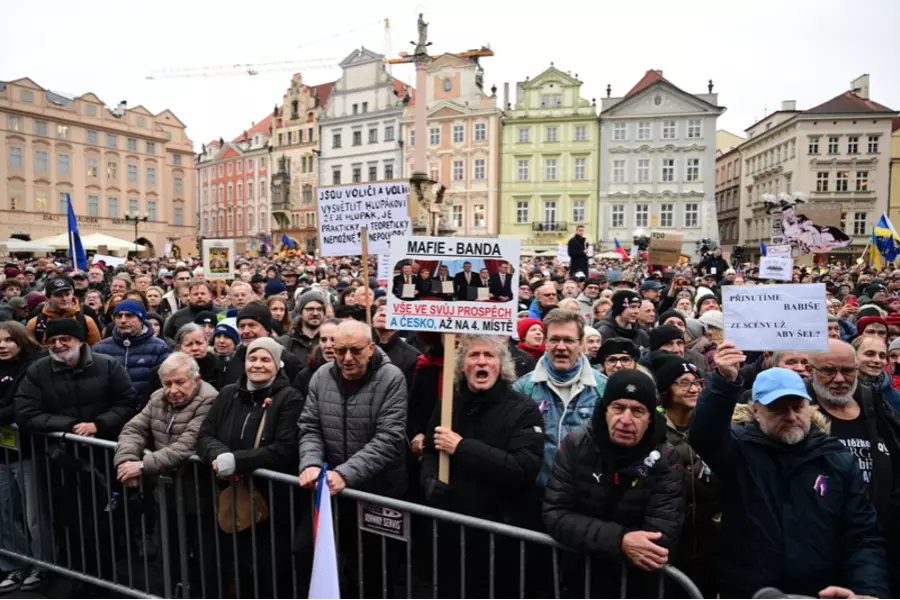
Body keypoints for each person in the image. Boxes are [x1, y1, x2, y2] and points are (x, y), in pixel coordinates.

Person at [690, 342, 890, 599]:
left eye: (797, 407)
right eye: (778, 409)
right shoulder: (738, 450)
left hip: (821, 592)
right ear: (756, 411)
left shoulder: (837, 459)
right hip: (751, 592)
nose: (791, 416)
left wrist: (869, 591)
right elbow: (704, 435)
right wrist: (723, 381)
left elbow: (862, 537)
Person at [14, 318, 137, 587]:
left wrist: (99, 424)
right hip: (60, 459)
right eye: (52, 341)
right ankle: (78, 577)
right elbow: (25, 413)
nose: (58, 345)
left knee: (106, 519)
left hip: (103, 457)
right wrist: (68, 427)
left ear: (80, 340)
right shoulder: (39, 370)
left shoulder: (107, 365)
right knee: (67, 519)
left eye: (64, 339)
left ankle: (108, 578)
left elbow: (127, 402)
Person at [542, 369, 684, 600]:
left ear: (650, 417)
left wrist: (607, 540)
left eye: (638, 411)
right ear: (605, 409)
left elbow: (659, 537)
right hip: (579, 579)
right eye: (618, 408)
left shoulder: (667, 458)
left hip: (637, 586)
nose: (626, 420)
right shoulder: (575, 445)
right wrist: (620, 541)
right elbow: (555, 514)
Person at [420, 335, 544, 599]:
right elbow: (432, 450)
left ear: (501, 365)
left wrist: (463, 448)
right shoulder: (448, 405)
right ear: (463, 365)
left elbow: (523, 469)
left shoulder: (524, 410)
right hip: (454, 530)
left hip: (500, 533)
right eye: (474, 355)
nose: (481, 362)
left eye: (489, 356)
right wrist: (431, 480)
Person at [298, 320, 407, 598]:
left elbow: (389, 438)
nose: (347, 358)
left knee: (376, 574)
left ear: (371, 349)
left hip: (378, 493)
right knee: (335, 567)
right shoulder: (321, 376)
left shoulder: (391, 377)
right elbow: (310, 426)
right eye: (340, 350)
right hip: (336, 493)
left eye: (355, 350)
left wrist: (345, 474)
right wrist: (310, 462)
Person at [197, 337, 302, 599]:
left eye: (265, 359)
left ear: (277, 365)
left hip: (270, 500)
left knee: (269, 568)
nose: (257, 365)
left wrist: (237, 461)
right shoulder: (228, 393)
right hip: (230, 495)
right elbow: (205, 435)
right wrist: (219, 455)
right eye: (252, 359)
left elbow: (284, 448)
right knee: (233, 563)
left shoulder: (289, 398)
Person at [807, 338, 900, 591]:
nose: (839, 378)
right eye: (828, 370)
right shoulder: (797, 413)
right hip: (817, 545)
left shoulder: (875, 405)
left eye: (848, 370)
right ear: (811, 371)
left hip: (877, 540)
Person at [649, 352, 719, 598]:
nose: (693, 389)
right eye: (683, 382)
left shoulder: (711, 425)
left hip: (708, 539)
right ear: (667, 388)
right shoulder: (652, 427)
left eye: (697, 382)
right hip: (671, 539)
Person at [513, 309, 606, 490]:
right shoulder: (523, 388)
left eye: (569, 340)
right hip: (534, 495)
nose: (561, 347)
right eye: (554, 339)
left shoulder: (603, 388)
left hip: (584, 496)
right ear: (546, 342)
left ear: (580, 344)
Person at [0, 322, 39, 593]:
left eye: (8, 340)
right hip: (1, 455)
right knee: (5, 512)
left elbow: (20, 407)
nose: (2, 345)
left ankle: (43, 565)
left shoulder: (34, 366)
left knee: (35, 516)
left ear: (21, 341)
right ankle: (15, 563)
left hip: (28, 452)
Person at [93, 299, 171, 407]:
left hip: (147, 410)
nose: (123, 320)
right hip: (111, 412)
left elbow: (164, 383)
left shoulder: (159, 347)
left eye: (129, 315)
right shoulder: (100, 348)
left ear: (141, 319)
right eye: (118, 316)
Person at [221, 301, 302, 388]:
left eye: (252, 325)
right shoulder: (234, 359)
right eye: (242, 326)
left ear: (267, 329)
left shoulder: (286, 360)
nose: (246, 331)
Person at [26, 275, 102, 347]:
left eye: (67, 294)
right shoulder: (35, 323)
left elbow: (96, 350)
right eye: (58, 295)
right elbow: (30, 352)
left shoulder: (86, 321)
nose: (64, 298)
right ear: (48, 298)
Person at [372, 305, 420, 390]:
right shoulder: (363, 349)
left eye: (390, 312)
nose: (383, 313)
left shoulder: (412, 356)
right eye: (379, 310)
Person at [291, 318, 340, 402]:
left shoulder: (356, 373)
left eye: (333, 339)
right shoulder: (304, 377)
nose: (328, 345)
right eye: (323, 340)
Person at [854, 335, 900, 412]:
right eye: (869, 354)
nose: (877, 360)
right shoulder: (840, 391)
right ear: (853, 356)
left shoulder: (896, 397)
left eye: (882, 356)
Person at [278, 291, 325, 365]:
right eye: (310, 309)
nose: (315, 313)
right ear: (300, 312)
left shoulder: (330, 340)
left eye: (319, 309)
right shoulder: (285, 342)